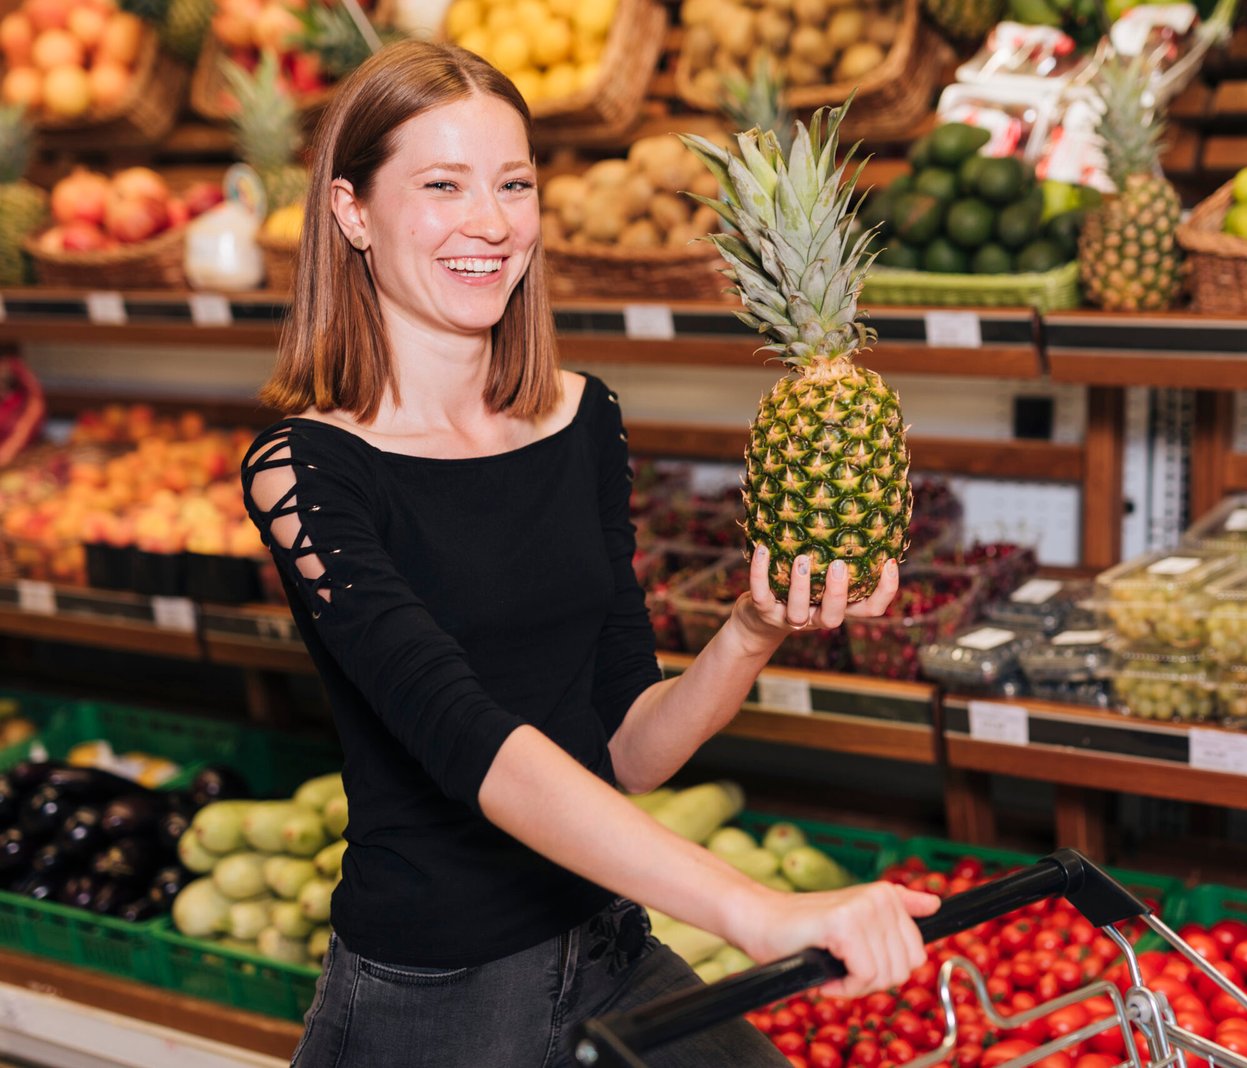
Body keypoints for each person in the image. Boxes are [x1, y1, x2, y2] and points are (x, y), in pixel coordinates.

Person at [240, 38, 940, 1068]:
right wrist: (757, 913)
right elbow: (474, 747)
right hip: (431, 1003)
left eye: (513, 184)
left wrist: (752, 630)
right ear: (351, 211)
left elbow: (621, 751)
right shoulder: (304, 469)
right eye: (443, 185)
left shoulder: (580, 417)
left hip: (606, 950)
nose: (490, 222)